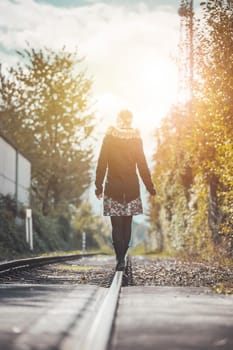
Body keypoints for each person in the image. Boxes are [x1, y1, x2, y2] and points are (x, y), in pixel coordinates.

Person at [95, 110, 156, 271]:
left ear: (118, 120)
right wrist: (150, 187)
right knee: (127, 224)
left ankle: (119, 259)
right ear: (130, 120)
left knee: (116, 225)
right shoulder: (136, 140)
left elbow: (102, 163)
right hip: (131, 190)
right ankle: (122, 257)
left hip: (112, 188)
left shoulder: (108, 139)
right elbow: (142, 165)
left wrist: (98, 186)